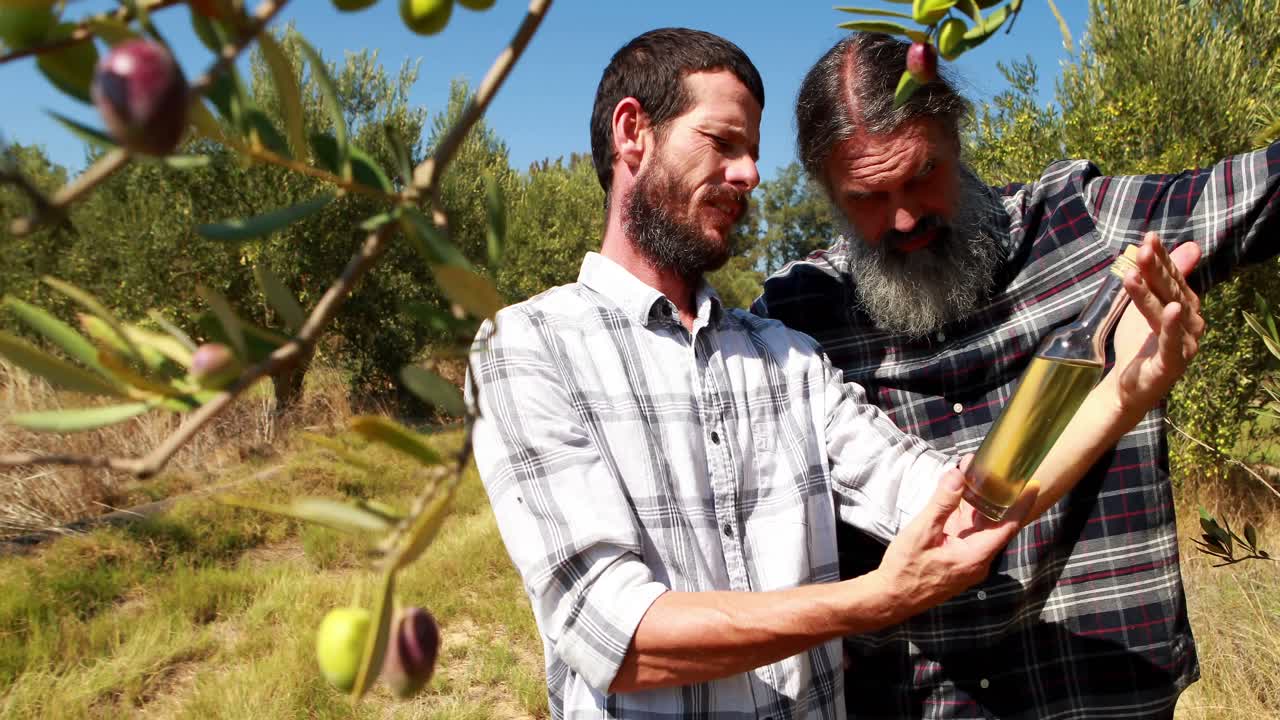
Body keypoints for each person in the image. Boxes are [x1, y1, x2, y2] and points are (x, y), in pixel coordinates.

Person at [469, 28, 1201, 719]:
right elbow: (616, 636)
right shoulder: (528, 347)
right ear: (633, 132)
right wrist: (874, 600)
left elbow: (967, 508)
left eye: (752, 152)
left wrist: (1128, 390)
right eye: (723, 143)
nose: (750, 174)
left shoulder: (786, 357)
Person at [753, 31, 1277, 720]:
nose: (904, 216)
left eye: (921, 175)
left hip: (1107, 692)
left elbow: (1258, 193)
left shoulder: (1080, 223)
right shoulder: (800, 317)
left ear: (957, 134)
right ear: (825, 190)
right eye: (868, 197)